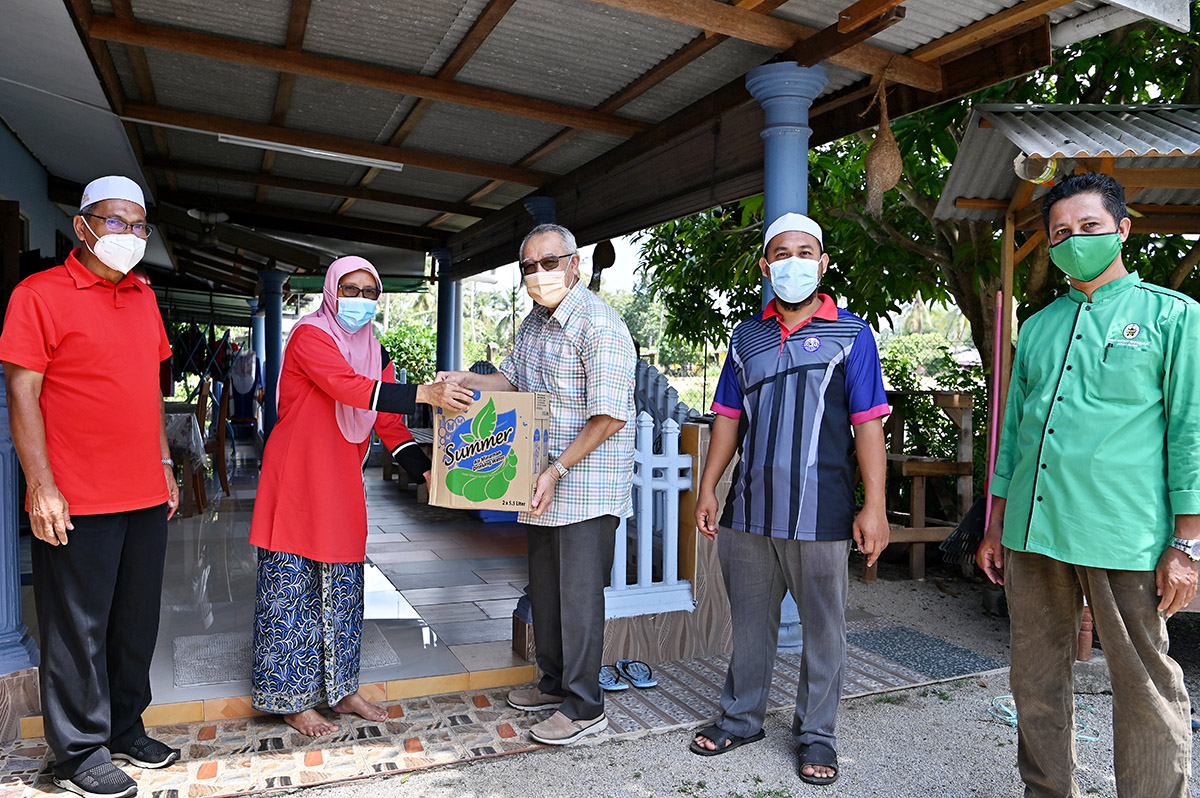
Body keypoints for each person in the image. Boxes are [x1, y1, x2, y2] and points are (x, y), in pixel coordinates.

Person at [980, 171, 1199, 797]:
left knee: (1145, 685)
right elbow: (1015, 436)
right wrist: (995, 525)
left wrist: (1187, 544)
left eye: (1089, 226)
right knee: (1035, 681)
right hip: (1032, 532)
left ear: (1122, 229)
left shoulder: (1174, 316)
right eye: (1060, 233)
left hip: (1123, 534)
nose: (1074, 239)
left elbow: (1191, 432)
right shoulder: (1039, 327)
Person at [689, 213, 890, 786]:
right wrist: (709, 487)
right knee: (750, 624)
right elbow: (728, 419)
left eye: (805, 252)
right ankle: (741, 717)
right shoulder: (744, 338)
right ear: (765, 266)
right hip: (749, 510)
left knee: (824, 629)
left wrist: (874, 506)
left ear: (822, 264)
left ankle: (817, 733)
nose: (793, 262)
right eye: (782, 253)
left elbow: (868, 423)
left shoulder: (852, 334)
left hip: (822, 512)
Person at [0, 176, 181, 798]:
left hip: (143, 491)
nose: (130, 234)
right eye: (116, 221)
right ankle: (78, 752)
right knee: (77, 628)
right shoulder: (38, 295)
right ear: (82, 226)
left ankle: (126, 726)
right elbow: (22, 393)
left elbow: (148, 390)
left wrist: (164, 463)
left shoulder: (143, 297)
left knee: (136, 621)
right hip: (76, 495)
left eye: (139, 225)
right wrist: (41, 486)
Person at [248, 256, 473, 737]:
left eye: (370, 292)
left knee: (345, 586)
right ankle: (292, 701)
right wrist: (424, 394)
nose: (360, 300)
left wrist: (425, 470)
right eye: (350, 289)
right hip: (298, 476)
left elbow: (387, 419)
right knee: (293, 585)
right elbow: (347, 387)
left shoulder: (375, 349)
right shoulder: (310, 335)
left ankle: (342, 689)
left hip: (343, 479)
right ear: (331, 291)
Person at [436, 223, 636, 745]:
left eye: (550, 262)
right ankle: (553, 684)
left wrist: (556, 470)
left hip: (584, 485)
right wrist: (465, 380)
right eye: (529, 266)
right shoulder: (535, 323)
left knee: (579, 598)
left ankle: (585, 706)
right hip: (542, 481)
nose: (539, 273)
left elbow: (610, 415)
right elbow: (512, 381)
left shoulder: (599, 324)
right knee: (545, 591)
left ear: (574, 264)